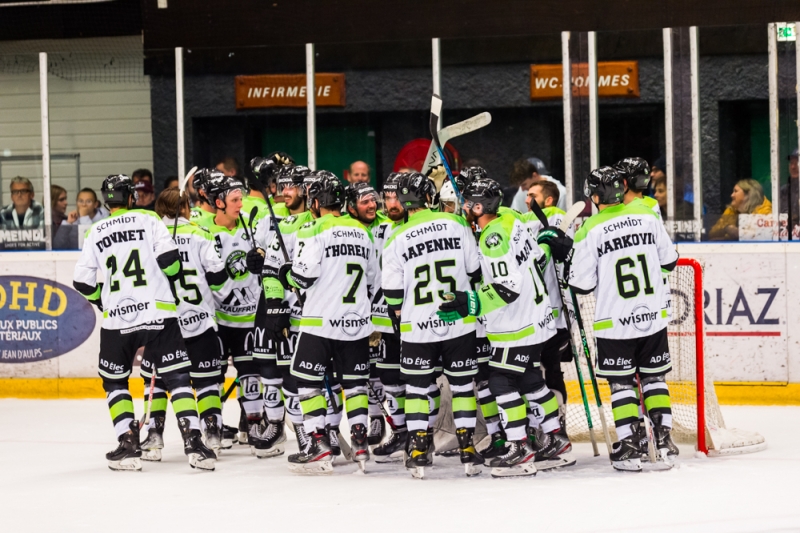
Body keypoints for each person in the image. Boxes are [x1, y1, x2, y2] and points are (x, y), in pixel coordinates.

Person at [72, 174, 216, 472]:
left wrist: (102, 300)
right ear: (131, 197)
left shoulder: (95, 231)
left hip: (118, 319)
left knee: (115, 381)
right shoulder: (150, 220)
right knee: (177, 378)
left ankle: (128, 443)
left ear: (105, 201)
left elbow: (82, 282)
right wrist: (172, 278)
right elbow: (171, 264)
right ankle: (194, 441)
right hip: (159, 313)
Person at [439, 177, 573, 477]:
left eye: (467, 202)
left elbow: (507, 288)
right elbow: (538, 258)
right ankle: (556, 438)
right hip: (537, 319)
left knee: (501, 383)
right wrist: (548, 243)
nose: (463, 206)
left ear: (478, 206)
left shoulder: (492, 237)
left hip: (517, 325)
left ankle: (519, 446)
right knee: (528, 379)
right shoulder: (511, 219)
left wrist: (471, 303)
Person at [567, 166, 679, 471]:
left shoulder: (589, 229)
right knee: (655, 380)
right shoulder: (647, 217)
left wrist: (569, 254)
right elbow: (670, 261)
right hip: (653, 318)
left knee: (622, 386)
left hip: (614, 324)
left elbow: (580, 284)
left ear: (594, 196)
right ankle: (664, 439)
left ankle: (630, 443)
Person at [382, 172, 483, 478]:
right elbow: (475, 272)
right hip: (459, 322)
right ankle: (467, 448)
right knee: (463, 385)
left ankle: (417, 449)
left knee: (416, 389)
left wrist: (404, 315)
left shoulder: (395, 236)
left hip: (417, 326)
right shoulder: (457, 224)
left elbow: (393, 295)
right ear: (429, 197)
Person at [277, 173, 378, 473]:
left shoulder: (314, 229)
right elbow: (372, 280)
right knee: (356, 384)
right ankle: (360, 444)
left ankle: (318, 443)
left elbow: (303, 276)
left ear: (317, 202)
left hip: (320, 321)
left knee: (306, 382)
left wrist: (286, 274)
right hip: (356, 322)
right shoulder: (362, 231)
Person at [145, 189, 228, 459]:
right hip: (201, 322)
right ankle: (213, 435)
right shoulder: (201, 234)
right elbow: (219, 281)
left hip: (164, 325)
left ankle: (154, 437)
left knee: (157, 382)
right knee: (206, 382)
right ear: (184, 209)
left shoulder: (149, 239)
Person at [245, 165, 315, 458]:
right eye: (281, 186)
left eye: (290, 187)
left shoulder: (313, 221)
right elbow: (264, 255)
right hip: (270, 304)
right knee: (268, 369)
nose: (283, 192)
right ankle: (275, 425)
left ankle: (304, 430)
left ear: (306, 190)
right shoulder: (273, 218)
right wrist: (255, 258)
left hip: (300, 307)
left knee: (293, 374)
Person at [205, 174, 264, 449]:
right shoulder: (204, 230)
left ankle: (252, 425)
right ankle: (213, 426)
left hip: (248, 318)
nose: (241, 204)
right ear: (219, 202)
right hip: (218, 320)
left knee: (250, 374)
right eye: (235, 200)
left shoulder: (252, 228)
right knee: (214, 375)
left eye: (241, 198)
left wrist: (262, 258)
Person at [521, 177, 575, 438]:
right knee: (537, 371)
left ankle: (555, 423)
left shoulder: (556, 217)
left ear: (549, 199)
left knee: (549, 370)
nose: (526, 199)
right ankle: (540, 423)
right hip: (538, 312)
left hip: (555, 314)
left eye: (532, 195)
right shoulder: (524, 222)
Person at [369, 173, 408, 462]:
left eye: (397, 197)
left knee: (423, 379)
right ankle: (402, 432)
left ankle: (425, 434)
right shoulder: (378, 229)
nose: (392, 202)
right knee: (389, 377)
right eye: (388, 197)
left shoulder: (418, 225)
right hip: (385, 319)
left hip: (418, 317)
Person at [50, 184, 79, 250]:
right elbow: (57, 246)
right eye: (61, 200)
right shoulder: (45, 220)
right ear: (52, 201)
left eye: (65, 199)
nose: (66, 203)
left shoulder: (66, 219)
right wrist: (67, 223)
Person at [779, 148, 799, 231]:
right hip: (785, 236)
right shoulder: (783, 190)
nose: (793, 166)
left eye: (797, 163)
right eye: (791, 163)